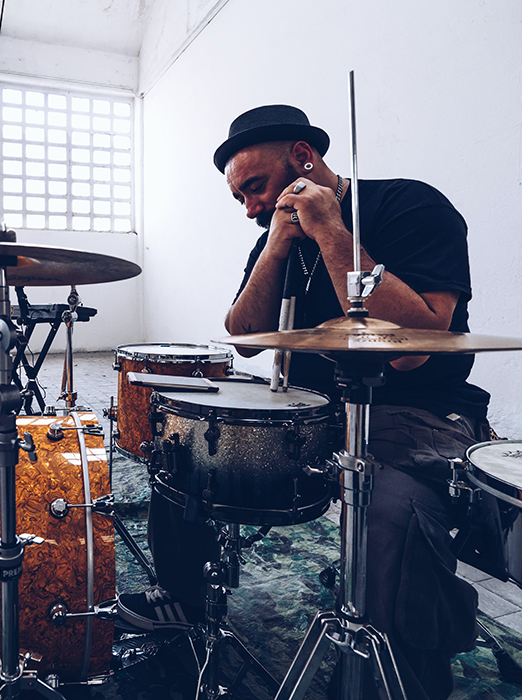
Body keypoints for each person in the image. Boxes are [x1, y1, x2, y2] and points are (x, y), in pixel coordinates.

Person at [117, 105, 494, 700]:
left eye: (255, 188)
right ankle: (183, 602)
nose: (250, 208)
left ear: (302, 158)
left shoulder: (410, 206)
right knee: (186, 448)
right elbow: (243, 336)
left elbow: (418, 345)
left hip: (417, 411)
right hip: (313, 409)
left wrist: (332, 233)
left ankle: (405, 674)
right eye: (239, 198)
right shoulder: (275, 235)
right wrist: (273, 249)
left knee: (392, 512)